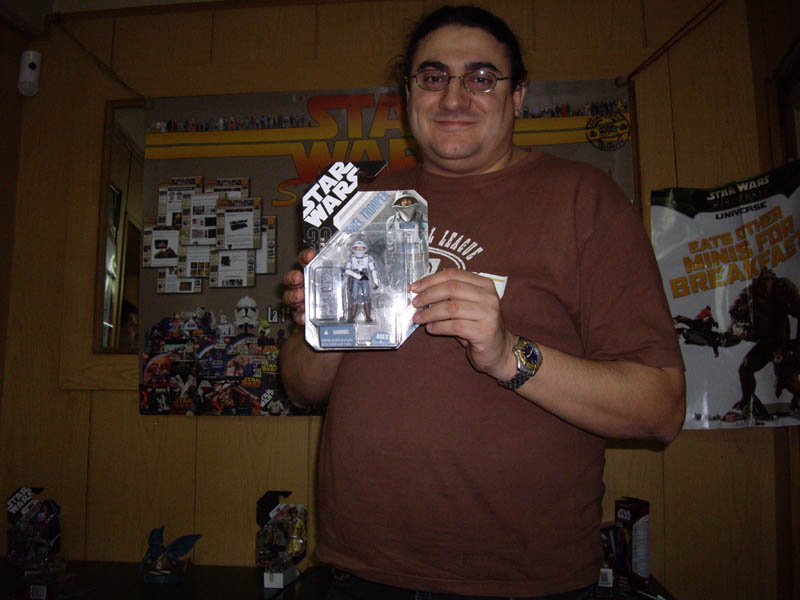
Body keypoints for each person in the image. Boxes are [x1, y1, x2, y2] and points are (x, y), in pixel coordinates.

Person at [281, 5, 685, 599]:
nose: (453, 97)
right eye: (433, 76)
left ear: (517, 96)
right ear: (408, 94)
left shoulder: (583, 198)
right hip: (360, 569)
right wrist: (326, 319)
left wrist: (508, 355)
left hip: (521, 581)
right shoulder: (367, 205)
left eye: (480, 77)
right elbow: (301, 386)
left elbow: (660, 408)